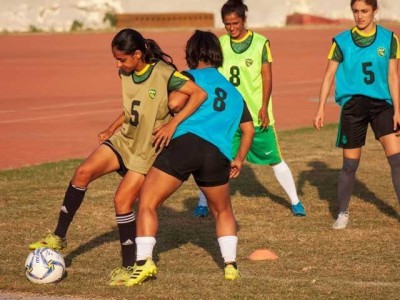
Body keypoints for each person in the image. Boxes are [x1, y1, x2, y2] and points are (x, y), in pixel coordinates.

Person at [28, 28, 207, 285]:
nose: (118, 64)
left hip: (146, 149)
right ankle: (58, 236)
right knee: (82, 173)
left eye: (122, 59)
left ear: (137, 54)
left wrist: (172, 125)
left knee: (122, 201)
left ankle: (128, 265)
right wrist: (111, 129)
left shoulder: (164, 74)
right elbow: (134, 107)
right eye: (116, 59)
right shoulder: (125, 72)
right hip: (124, 140)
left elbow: (199, 94)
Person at [122, 30, 254, 286]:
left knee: (147, 201)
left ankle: (143, 263)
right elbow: (248, 130)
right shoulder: (234, 92)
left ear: (191, 53)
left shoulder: (189, 77)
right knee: (223, 210)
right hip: (218, 154)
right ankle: (230, 265)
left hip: (186, 144)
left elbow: (173, 103)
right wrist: (239, 158)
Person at [193, 0, 306, 218]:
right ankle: (202, 203)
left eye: (235, 23)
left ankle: (295, 201)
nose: (231, 28)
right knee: (214, 159)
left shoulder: (261, 43)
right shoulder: (221, 44)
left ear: (244, 20)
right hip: (228, 115)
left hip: (255, 113)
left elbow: (267, 76)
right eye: (227, 24)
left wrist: (264, 106)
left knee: (274, 158)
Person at [313, 0, 400, 229]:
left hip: (383, 105)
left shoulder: (389, 39)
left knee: (397, 160)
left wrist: (398, 110)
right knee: (350, 165)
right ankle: (342, 213)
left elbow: (393, 76)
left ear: (375, 11)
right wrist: (321, 107)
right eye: (355, 11)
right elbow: (329, 75)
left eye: (364, 11)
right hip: (354, 107)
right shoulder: (341, 41)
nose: (359, 16)